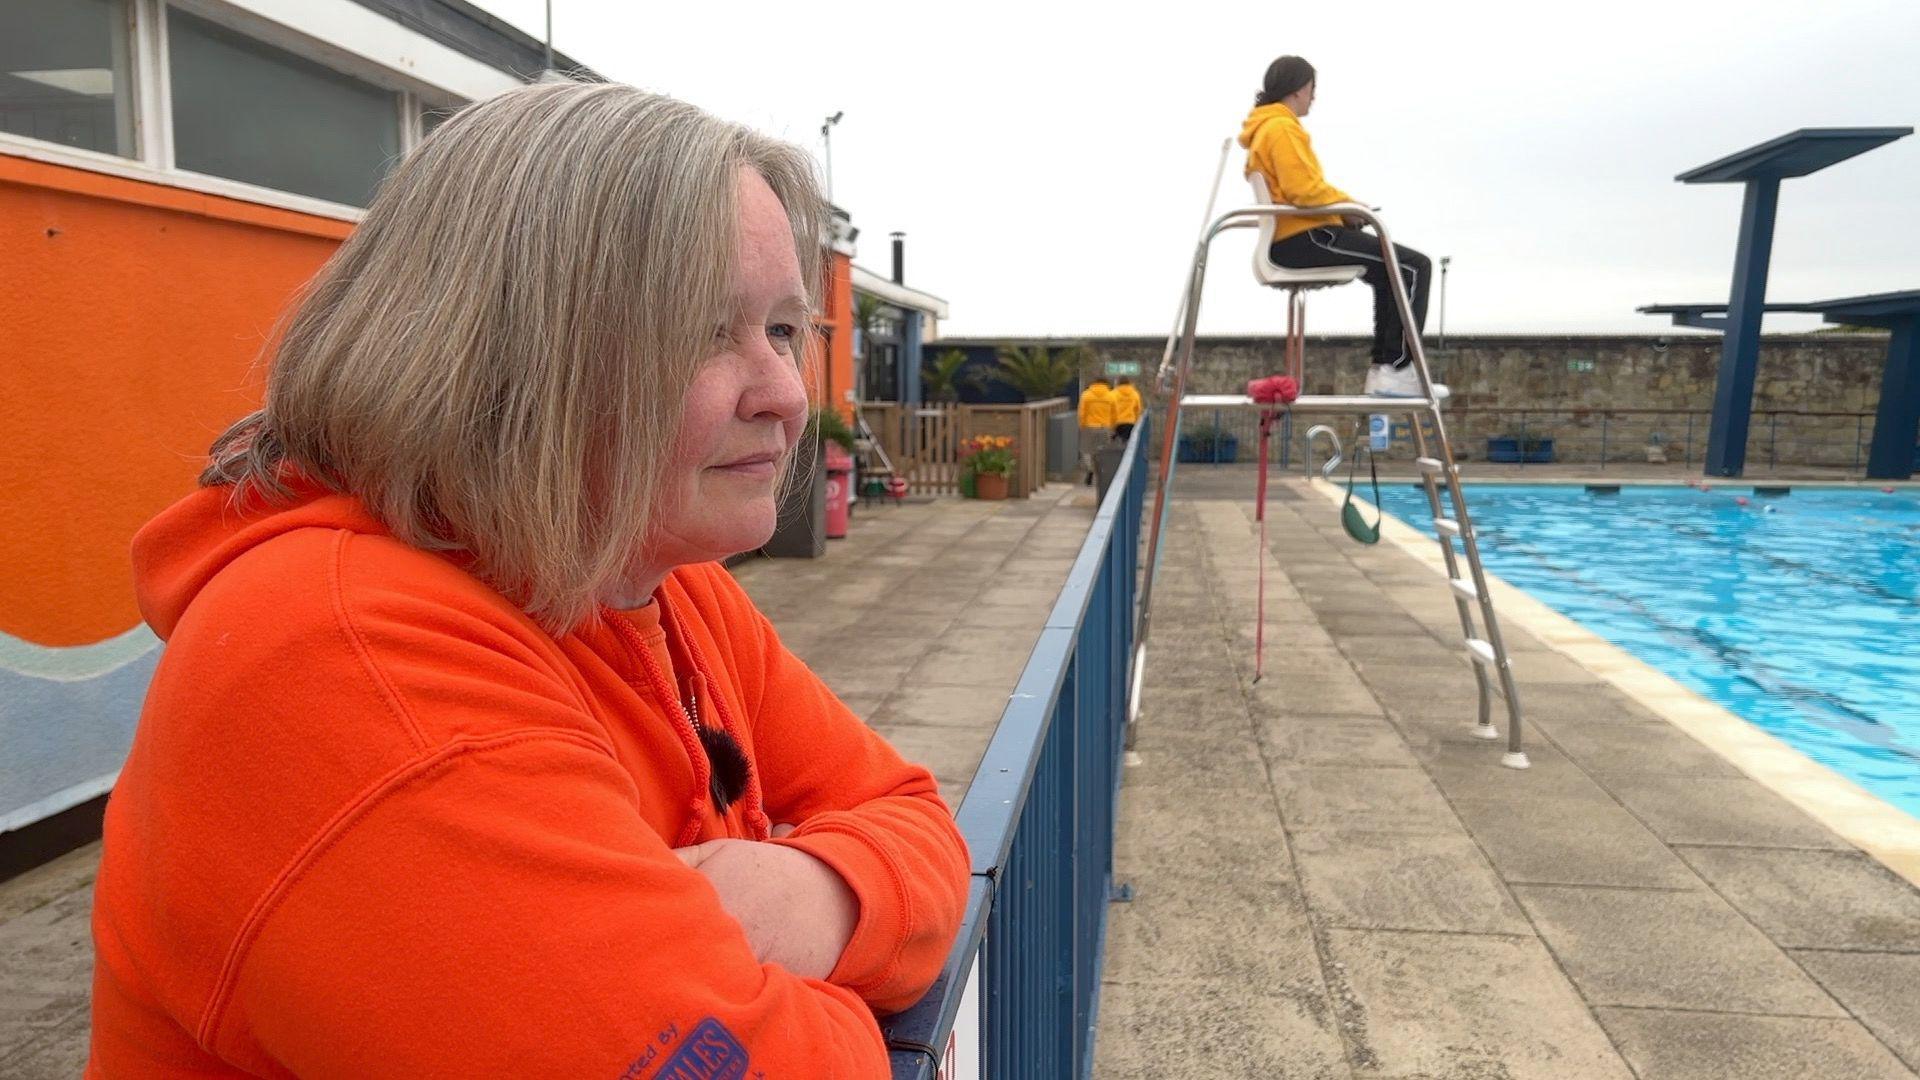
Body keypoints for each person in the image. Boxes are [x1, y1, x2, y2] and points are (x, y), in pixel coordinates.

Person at [87, 83, 969, 1078]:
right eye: (702, 333)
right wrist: (841, 980)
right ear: (506, 352)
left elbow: (910, 810)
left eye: (781, 331)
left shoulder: (647, 578)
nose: (780, 395)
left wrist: (813, 895)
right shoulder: (358, 668)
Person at [1238, 55, 1447, 400]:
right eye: (1312, 89)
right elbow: (1303, 190)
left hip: (1297, 234)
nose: (1313, 97)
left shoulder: (1267, 127)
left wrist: (1345, 212)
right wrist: (1353, 207)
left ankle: (1386, 370)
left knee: (1388, 270)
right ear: (1299, 88)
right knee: (1413, 266)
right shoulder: (1281, 127)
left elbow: (1300, 189)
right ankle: (1396, 369)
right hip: (1305, 237)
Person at [1077, 376, 1116, 482]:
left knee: (1086, 450)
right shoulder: (1111, 396)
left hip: (1089, 427)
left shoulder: (1086, 395)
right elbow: (1114, 414)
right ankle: (1101, 472)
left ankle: (1090, 470)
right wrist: (1112, 427)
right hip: (1105, 427)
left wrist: (1081, 425)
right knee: (1103, 451)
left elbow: (1082, 412)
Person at [1111, 376, 1144, 440]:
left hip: (1116, 423)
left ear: (1118, 383)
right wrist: (1136, 421)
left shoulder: (1113, 394)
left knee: (1116, 441)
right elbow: (1138, 409)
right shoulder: (1135, 394)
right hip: (1130, 422)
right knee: (1129, 442)